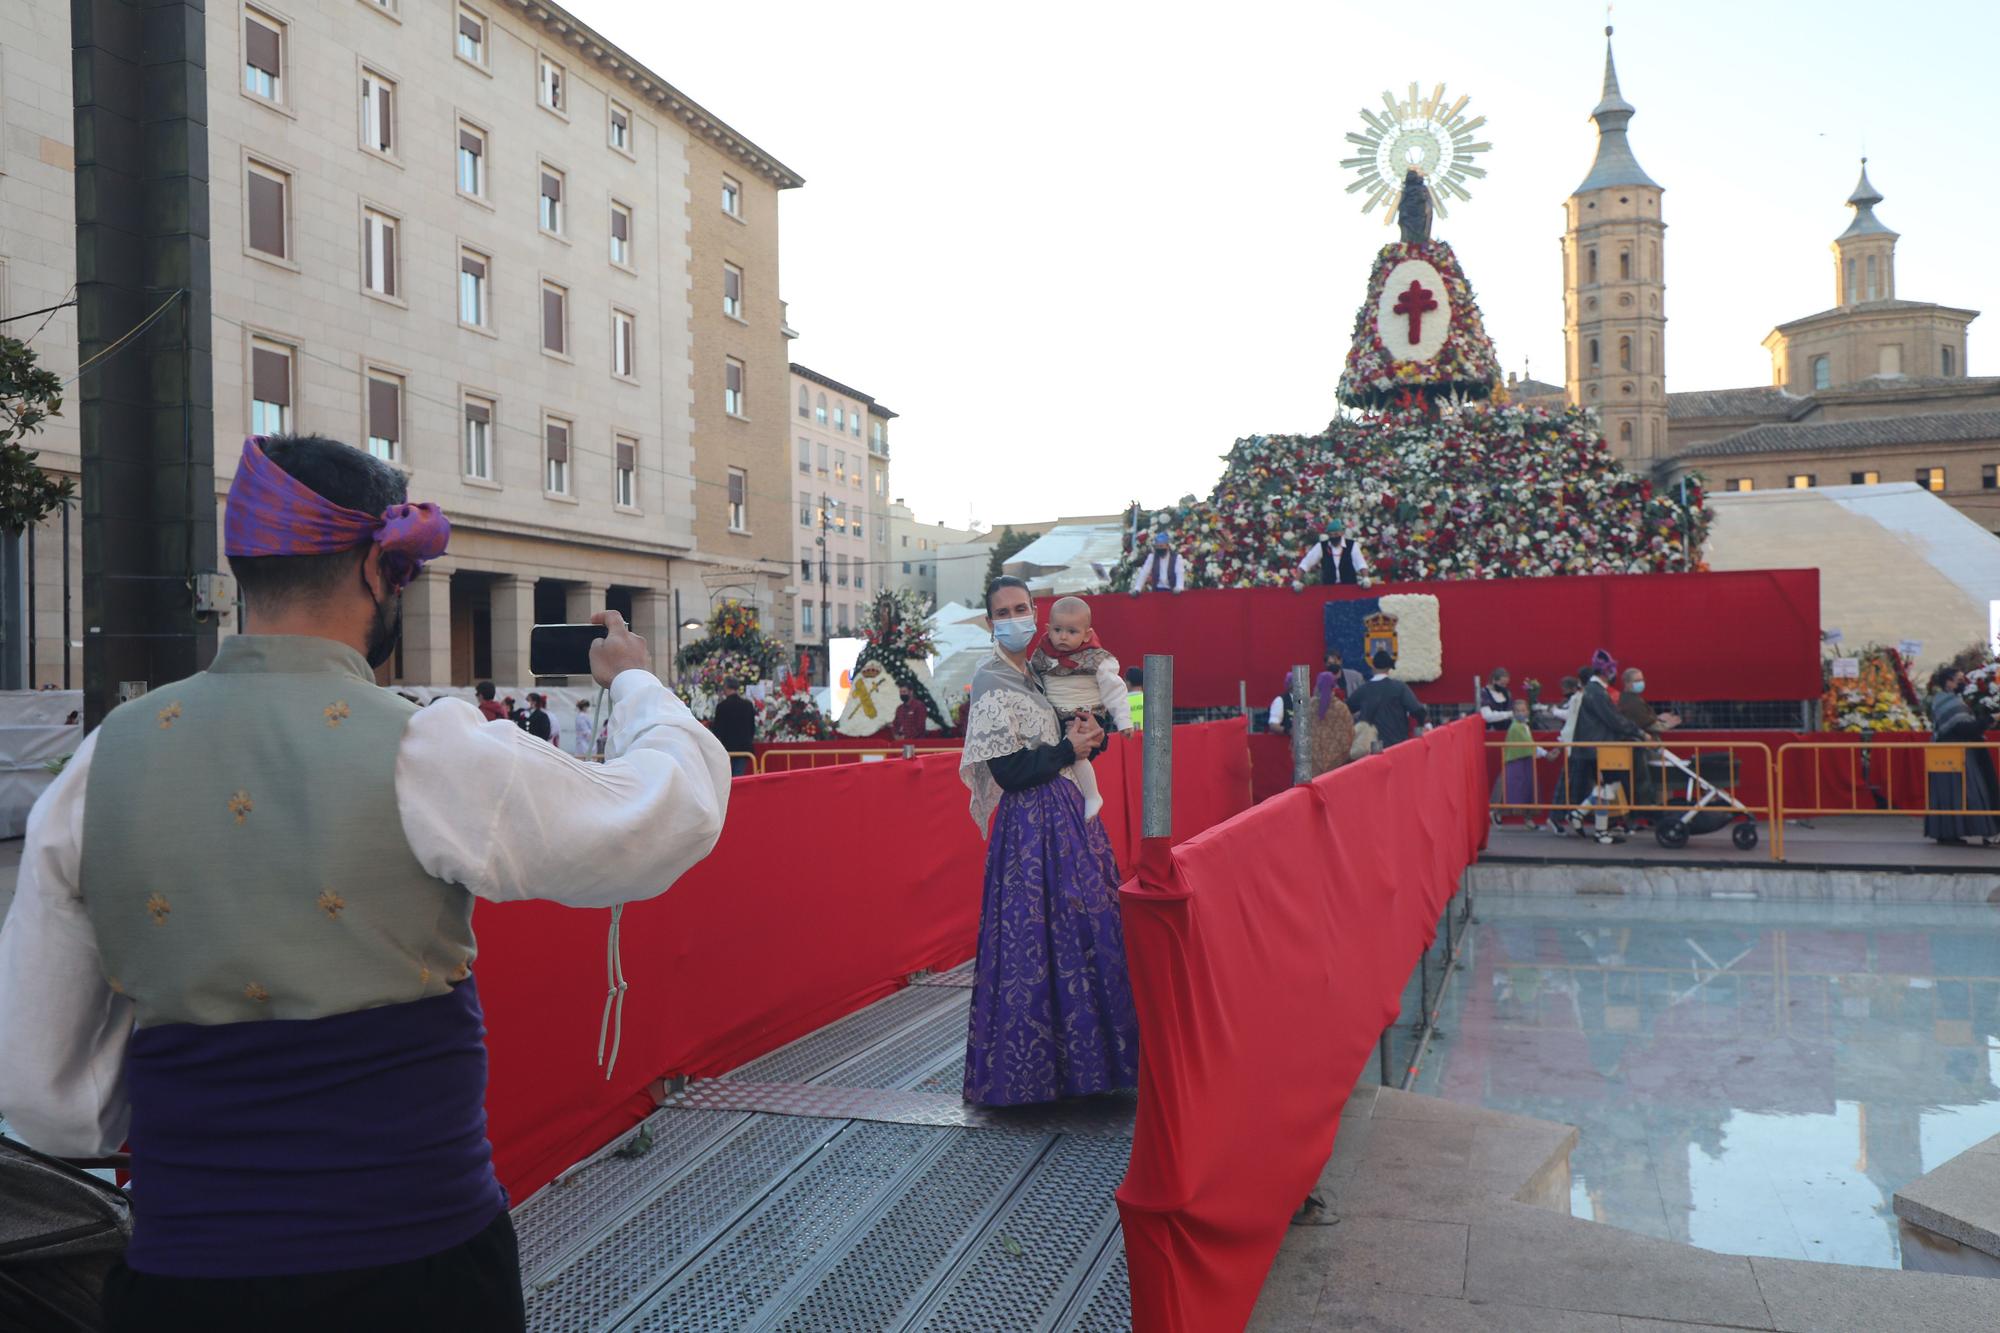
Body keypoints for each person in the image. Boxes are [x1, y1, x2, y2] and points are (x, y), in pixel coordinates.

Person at [0, 434, 731, 1332]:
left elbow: (43, 1094)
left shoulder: (96, 765)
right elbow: (669, 812)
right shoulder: (431, 747)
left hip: (185, 1278)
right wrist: (642, 689)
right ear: (378, 573)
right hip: (416, 1271)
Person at [959, 576, 1138, 1106]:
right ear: (991, 622)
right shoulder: (991, 680)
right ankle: (1032, 1078)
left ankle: (1084, 1070)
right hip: (1028, 829)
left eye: (1022, 608)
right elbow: (1011, 771)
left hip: (1066, 818)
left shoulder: (1039, 673)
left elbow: (1065, 744)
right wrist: (1067, 750)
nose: (1015, 618)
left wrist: (1090, 741)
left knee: (1083, 928)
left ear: (1034, 611)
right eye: (1003, 612)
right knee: (1031, 944)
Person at [1566, 661, 1648, 845]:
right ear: (1606, 672)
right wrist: (1639, 732)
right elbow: (1613, 719)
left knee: (1607, 787)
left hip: (1598, 746)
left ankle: (1584, 818)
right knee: (1609, 786)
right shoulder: (1597, 692)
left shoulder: (1595, 690)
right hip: (1599, 747)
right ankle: (1594, 826)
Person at [1029, 596, 1132, 735]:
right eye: (1057, 630)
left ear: (1087, 635)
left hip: (1087, 717)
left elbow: (1114, 690)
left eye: (1072, 631)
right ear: (1048, 629)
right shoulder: (1042, 654)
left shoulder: (1097, 659)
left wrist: (1123, 720)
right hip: (1052, 718)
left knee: (1078, 748)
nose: (1063, 636)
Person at [1925, 667, 1999, 846]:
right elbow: (1966, 729)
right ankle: (1980, 832)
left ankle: (1948, 832)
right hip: (1958, 753)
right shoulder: (1951, 703)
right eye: (1959, 679)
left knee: (1951, 795)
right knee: (1967, 793)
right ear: (1948, 682)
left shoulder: (1944, 700)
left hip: (1950, 752)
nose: (1963, 682)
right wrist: (1992, 719)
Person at [1347, 650, 1426, 749]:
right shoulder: (1400, 687)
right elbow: (1417, 710)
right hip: (1397, 743)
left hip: (1371, 746)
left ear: (1373, 667)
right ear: (1389, 668)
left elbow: (1347, 709)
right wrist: (1421, 724)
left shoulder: (1363, 690)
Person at [1307, 665, 1357, 777]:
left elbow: (1297, 731)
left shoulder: (1307, 707)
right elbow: (1350, 734)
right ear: (1333, 686)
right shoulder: (1341, 708)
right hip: (1336, 763)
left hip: (1312, 762)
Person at [1295, 518, 1369, 587]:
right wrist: (1297, 581)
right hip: (1329, 588)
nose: (1333, 537)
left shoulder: (1352, 545)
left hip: (1349, 587)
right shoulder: (1321, 546)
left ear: (1342, 533)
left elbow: (1361, 564)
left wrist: (1365, 578)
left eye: (1336, 534)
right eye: (1331, 535)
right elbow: (1306, 563)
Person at [712, 678, 759, 776]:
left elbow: (717, 730)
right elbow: (752, 728)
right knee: (739, 776)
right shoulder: (748, 705)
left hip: (727, 748)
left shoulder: (722, 706)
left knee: (727, 777)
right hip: (744, 748)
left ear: (726, 687)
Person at [1125, 665, 1145, 731]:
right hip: (1150, 738)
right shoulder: (1151, 700)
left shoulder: (1121, 702)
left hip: (1128, 738)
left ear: (1128, 682)